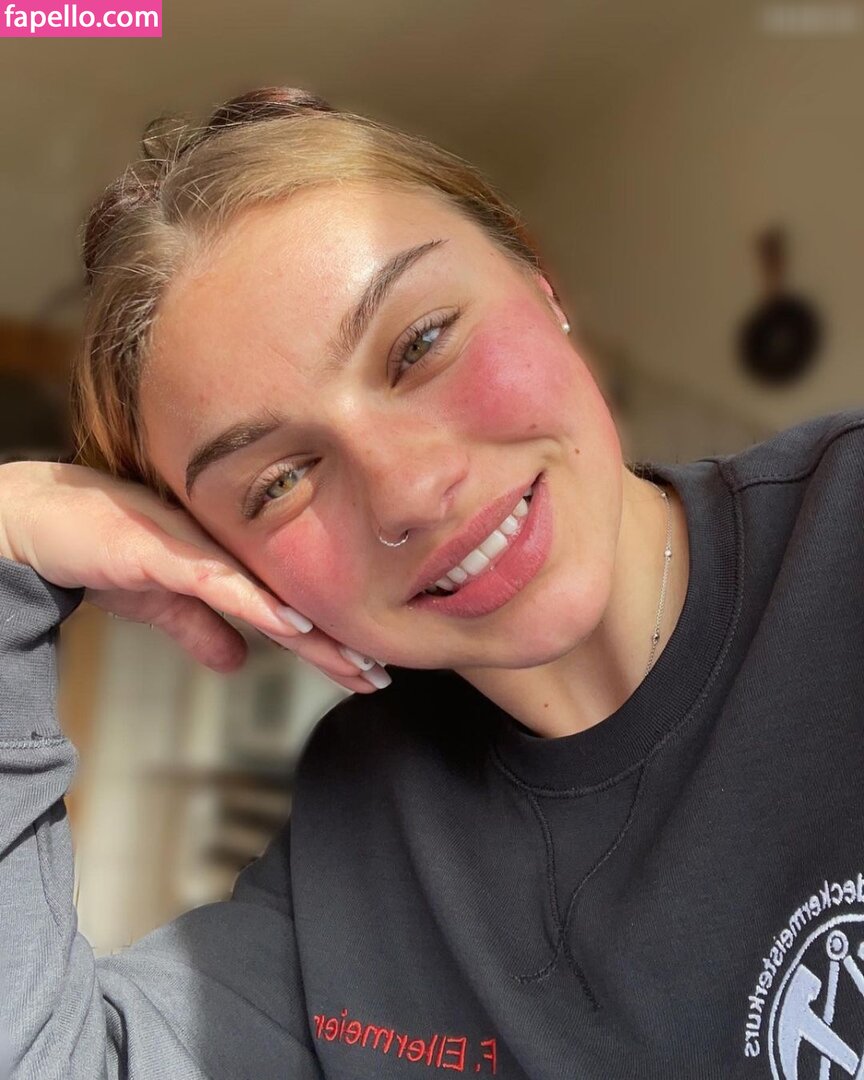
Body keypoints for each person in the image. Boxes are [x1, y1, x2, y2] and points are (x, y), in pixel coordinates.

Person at [0, 86, 862, 1080]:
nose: (407, 491)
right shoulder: (350, 875)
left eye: (419, 343)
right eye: (278, 482)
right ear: (232, 564)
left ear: (539, 281)